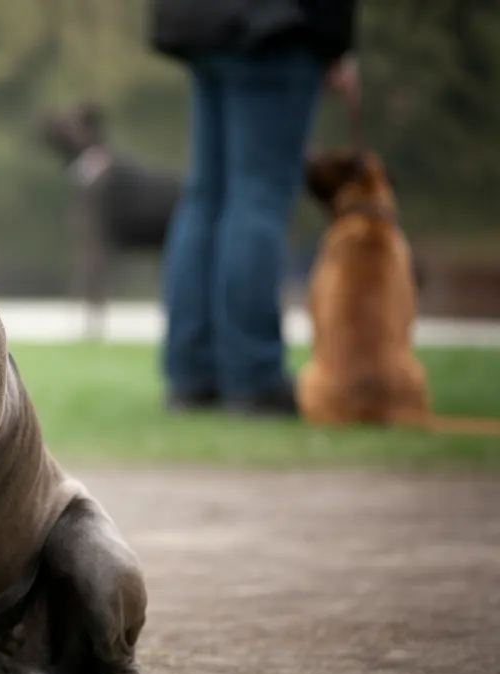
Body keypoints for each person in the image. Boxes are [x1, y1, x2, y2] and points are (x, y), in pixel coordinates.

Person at [151, 0, 359, 416]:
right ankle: (253, 377)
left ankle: (192, 375)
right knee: (258, 197)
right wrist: (337, 40)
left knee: (207, 198)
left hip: (203, 23)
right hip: (276, 23)